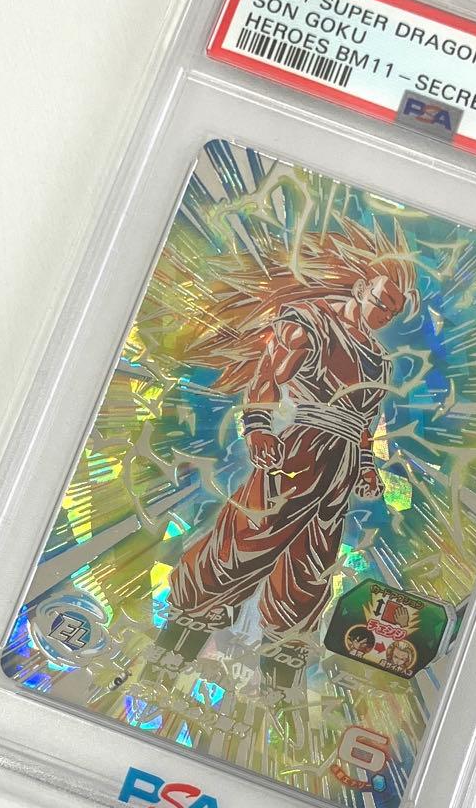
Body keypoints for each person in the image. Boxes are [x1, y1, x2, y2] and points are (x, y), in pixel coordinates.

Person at [158, 220, 419, 672]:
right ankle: (173, 647)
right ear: (361, 289)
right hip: (300, 449)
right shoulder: (310, 321)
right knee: (247, 540)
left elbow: (364, 421)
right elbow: (267, 376)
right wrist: (259, 427)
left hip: (340, 468)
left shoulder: (378, 359)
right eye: (381, 302)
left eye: (392, 313)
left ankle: (280, 674)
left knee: (312, 565)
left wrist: (365, 466)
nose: (383, 316)